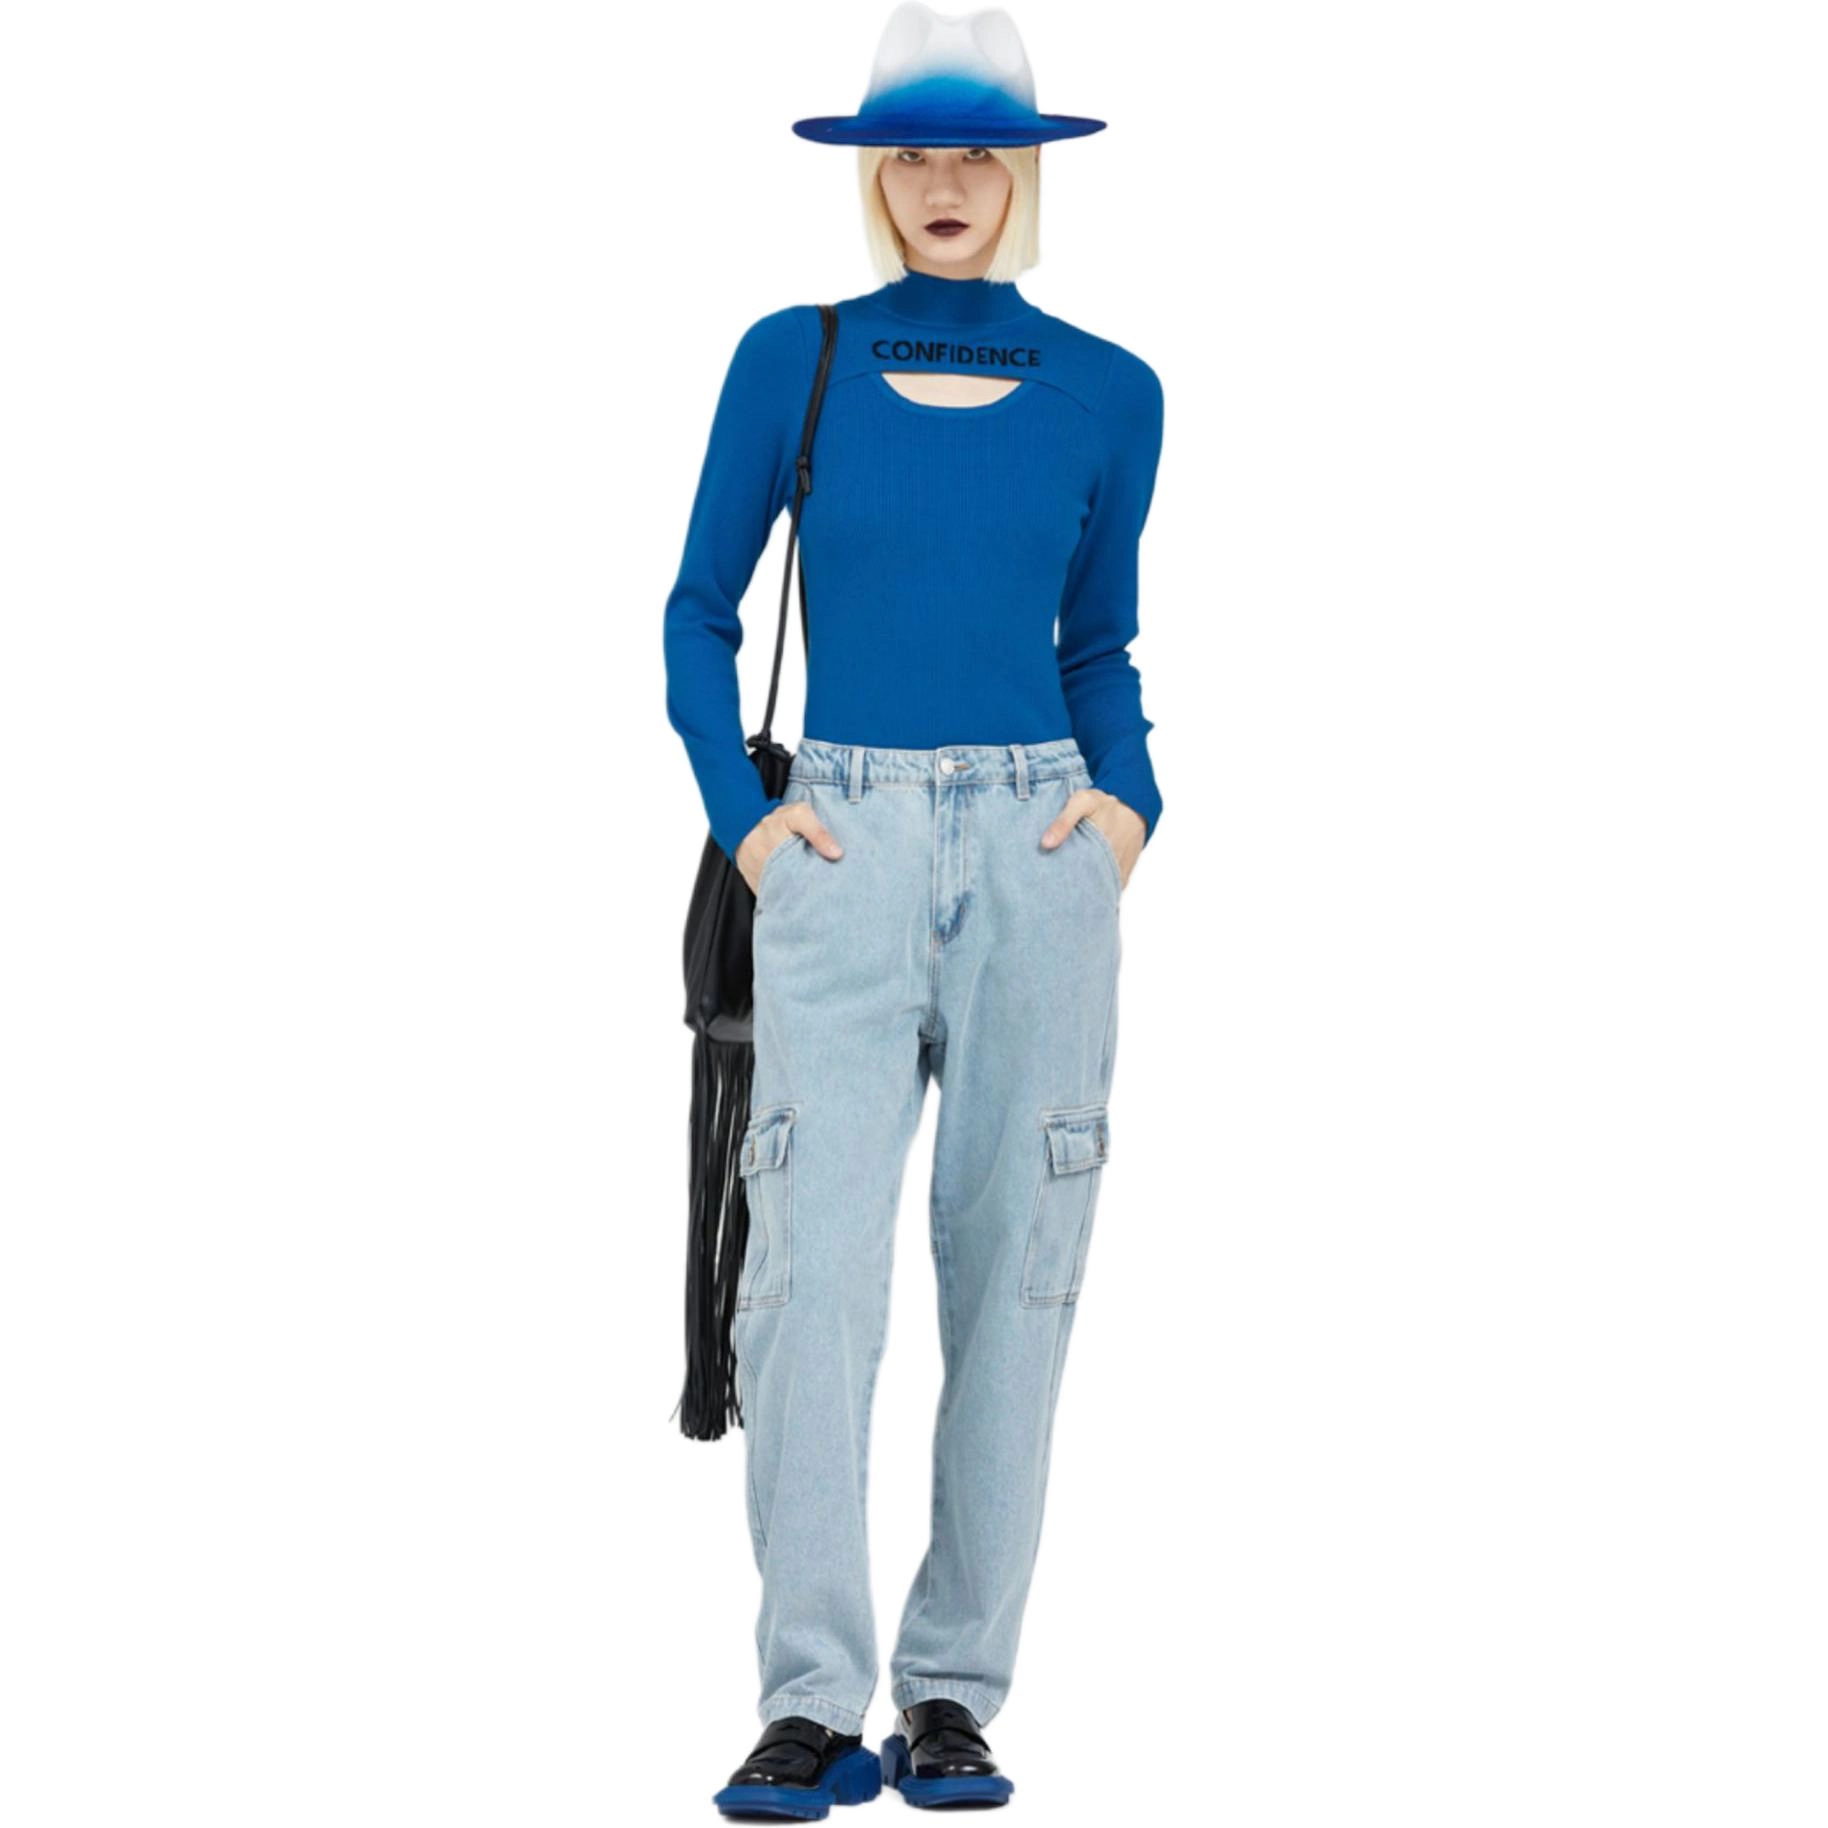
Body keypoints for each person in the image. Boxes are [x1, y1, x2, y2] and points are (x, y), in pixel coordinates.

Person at [662, 6, 1165, 1815]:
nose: (946, 182)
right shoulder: (792, 356)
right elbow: (697, 614)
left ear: (1021, 172)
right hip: (843, 845)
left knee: (1018, 1276)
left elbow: (1099, 641)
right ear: (876, 173)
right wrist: (749, 827)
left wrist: (1130, 808)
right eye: (914, 152)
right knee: (808, 1283)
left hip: (1042, 850)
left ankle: (952, 1694)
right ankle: (809, 1697)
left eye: (979, 152)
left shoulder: (1111, 389)